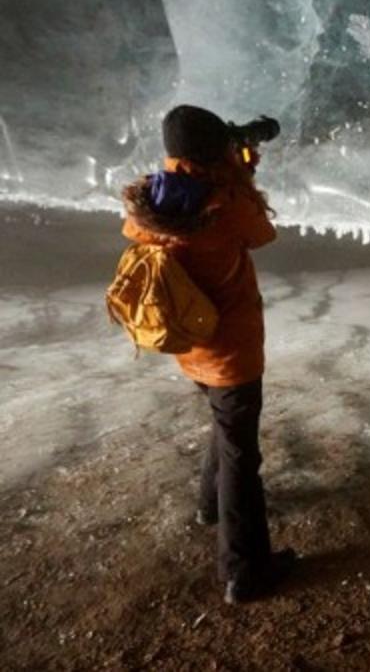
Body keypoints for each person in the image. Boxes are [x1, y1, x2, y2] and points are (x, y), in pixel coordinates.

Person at [120, 104, 295, 604]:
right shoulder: (224, 203)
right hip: (231, 348)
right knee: (242, 455)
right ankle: (245, 572)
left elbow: (139, 229)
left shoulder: (155, 196)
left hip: (188, 340)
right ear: (214, 150)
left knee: (226, 426)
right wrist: (240, 174)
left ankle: (208, 507)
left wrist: (224, 164)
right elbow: (262, 234)